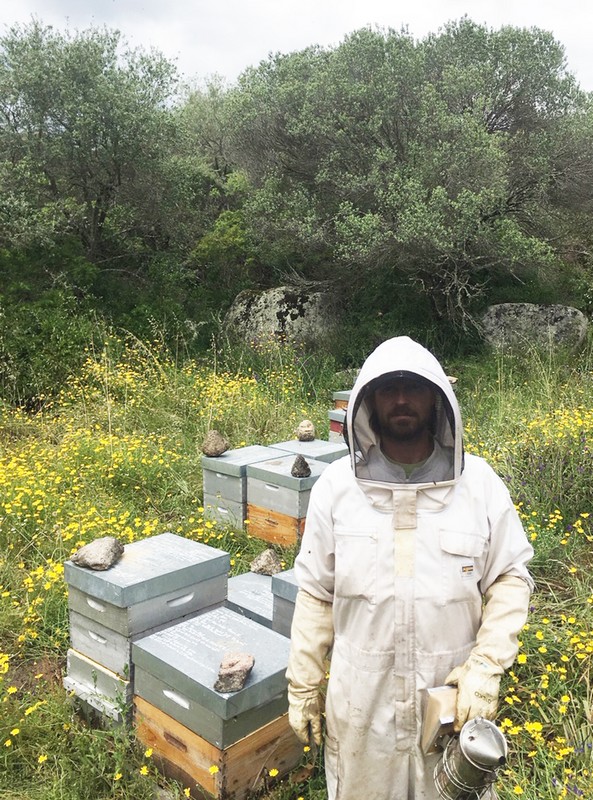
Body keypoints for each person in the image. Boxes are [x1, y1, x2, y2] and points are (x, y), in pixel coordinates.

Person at [286, 336, 534, 800]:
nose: (401, 400)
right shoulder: (336, 489)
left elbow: (510, 577)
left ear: (437, 400)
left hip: (449, 703)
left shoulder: (478, 484)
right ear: (368, 404)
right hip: (362, 703)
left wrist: (486, 665)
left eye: (414, 389)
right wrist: (302, 684)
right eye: (388, 389)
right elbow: (317, 592)